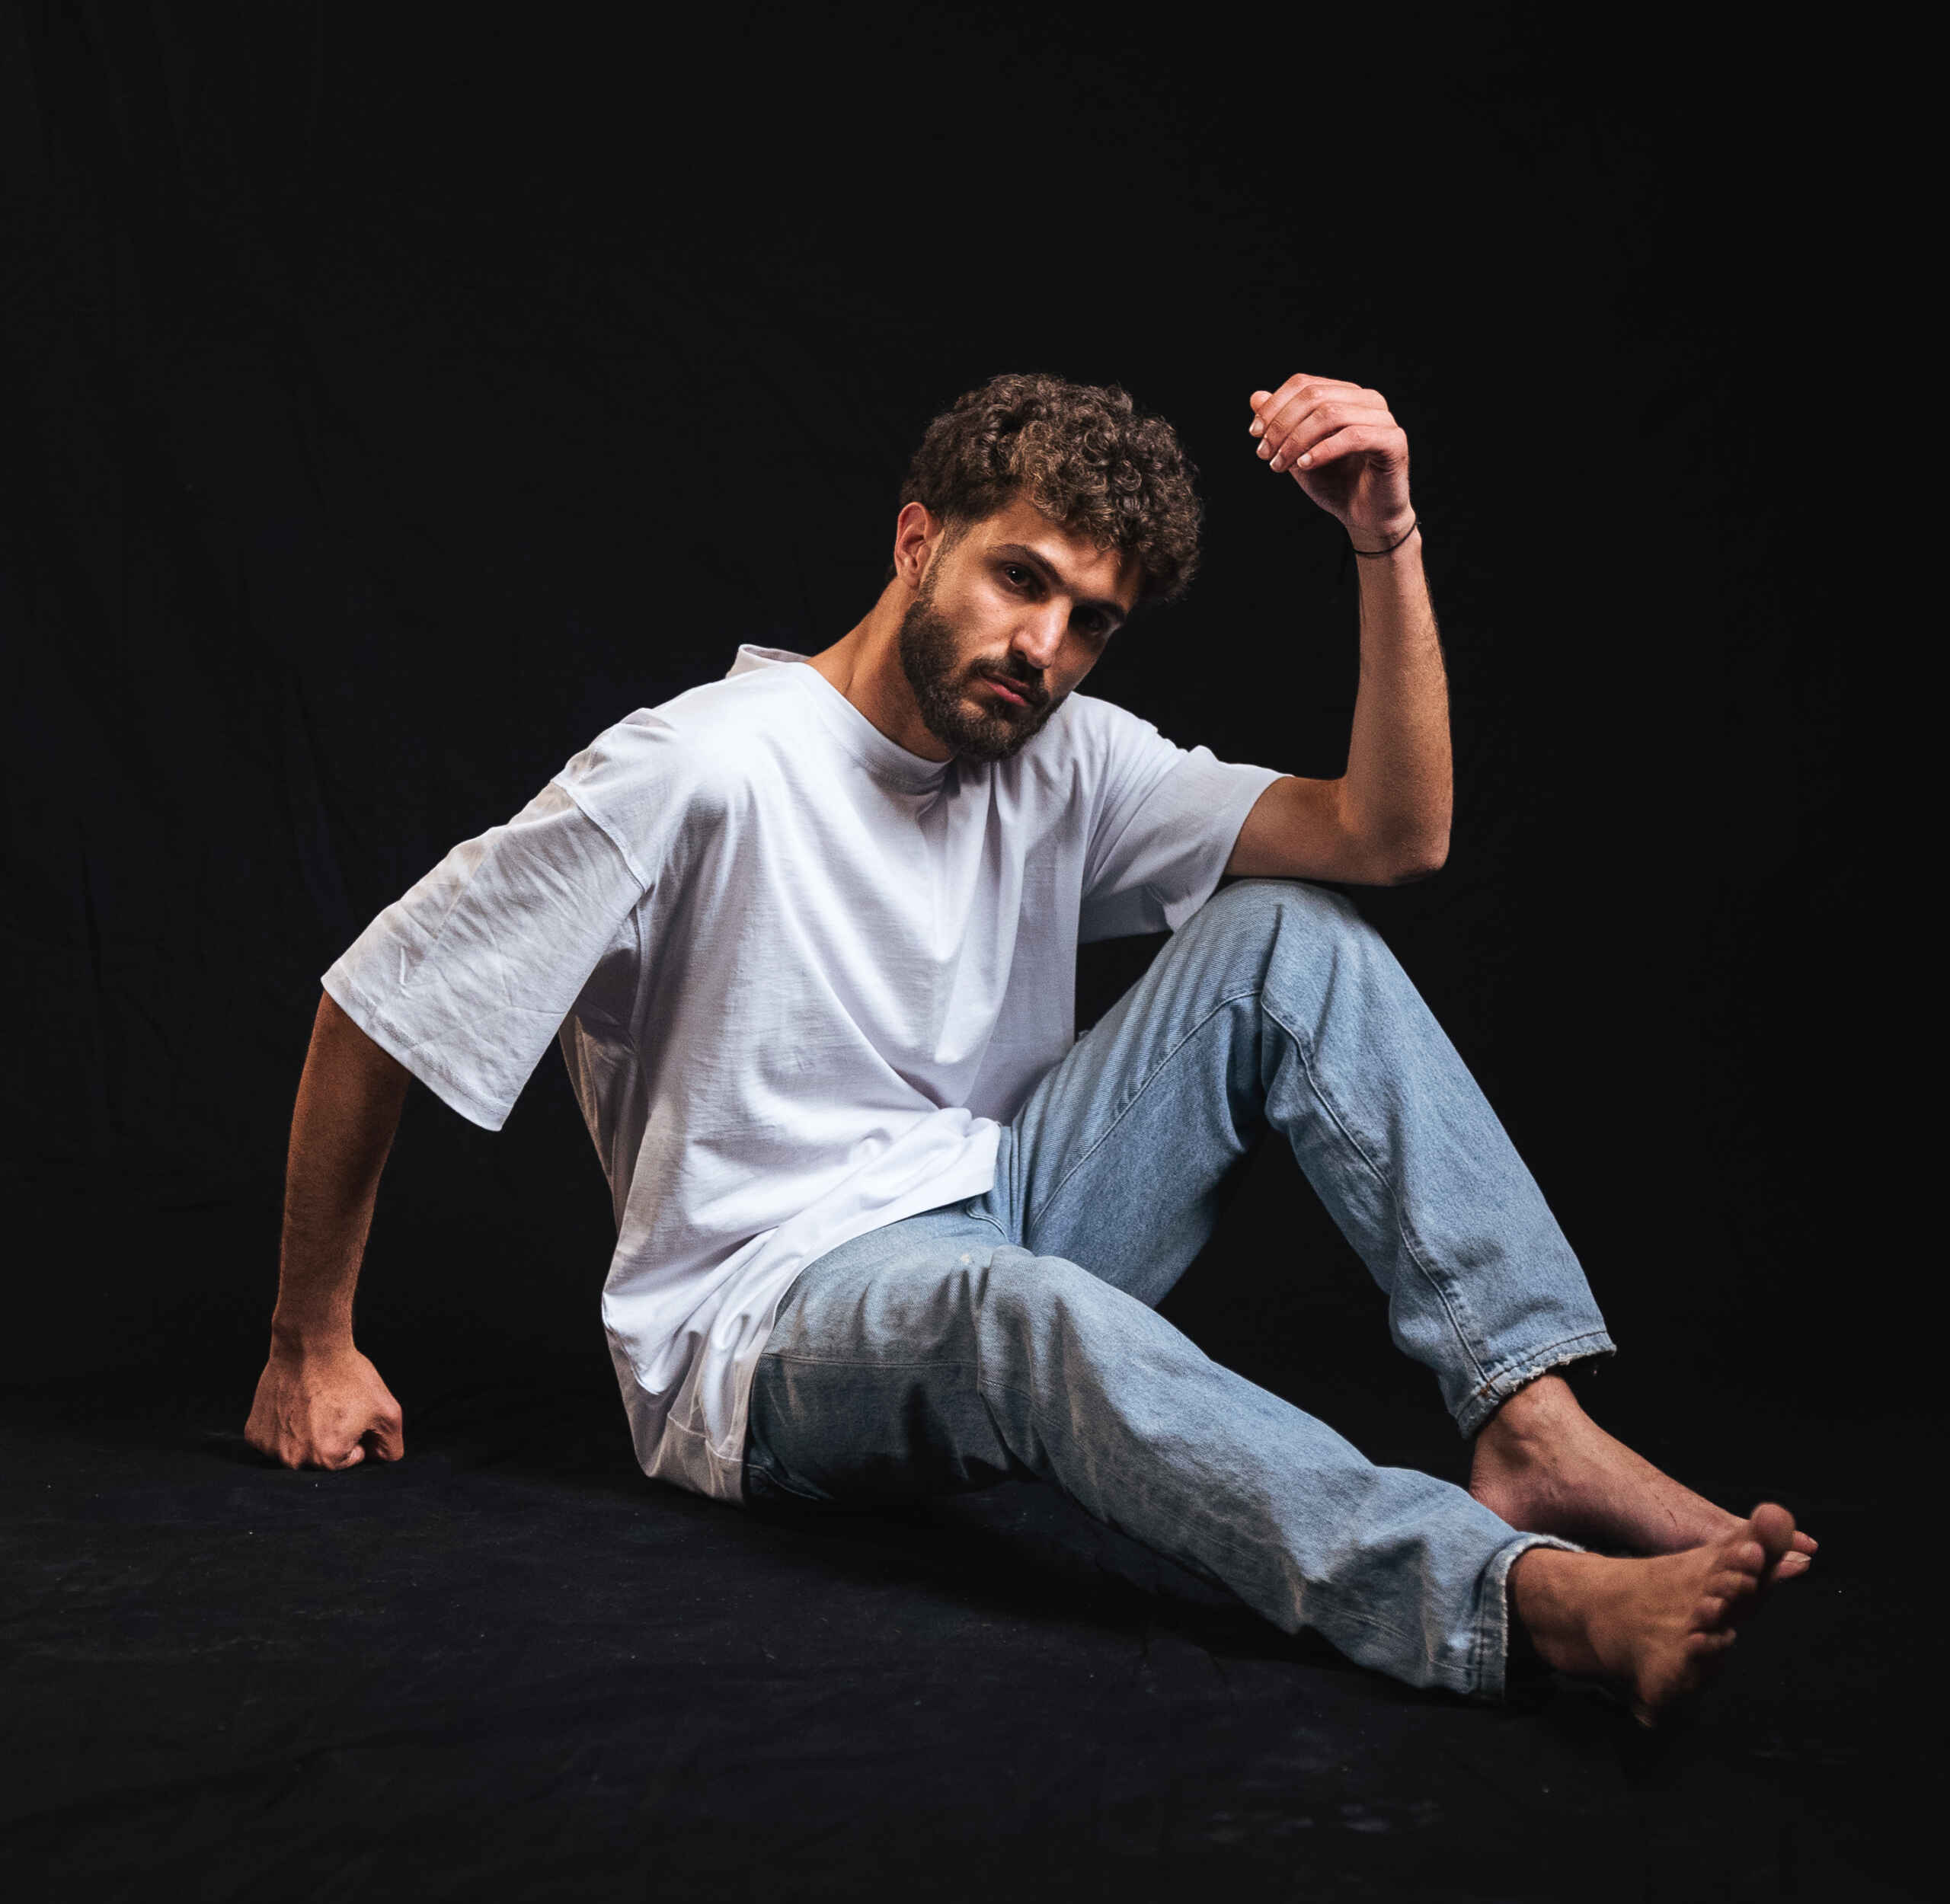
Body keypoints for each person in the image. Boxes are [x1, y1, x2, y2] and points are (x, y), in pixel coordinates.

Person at [245, 370, 1814, 1724]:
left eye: (1090, 622)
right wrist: (310, 1343)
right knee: (1028, 1311)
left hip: (1006, 1211)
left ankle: (1531, 1420)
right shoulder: (702, 767)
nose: (1043, 646)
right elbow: (380, 998)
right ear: (915, 540)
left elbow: (1390, 837)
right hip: (770, 1319)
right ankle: (1517, 1599)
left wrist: (1383, 540)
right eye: (1020, 579)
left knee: (1293, 936)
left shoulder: (1061, 756)